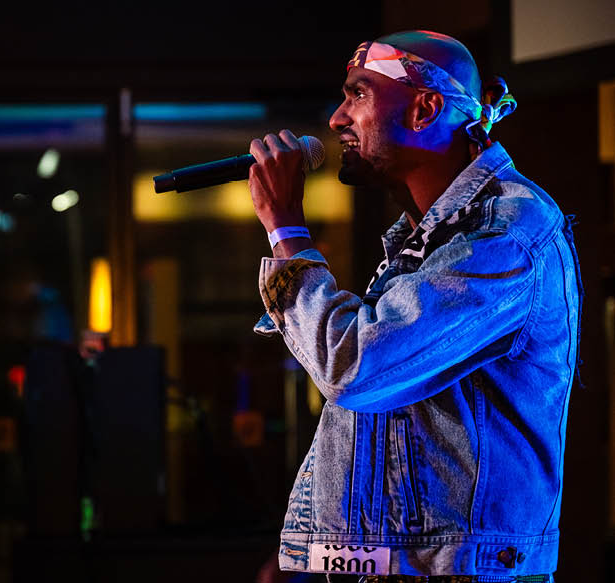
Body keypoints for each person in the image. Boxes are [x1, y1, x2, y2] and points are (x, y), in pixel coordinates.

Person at [248, 31, 580, 582]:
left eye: (358, 94)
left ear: (425, 108)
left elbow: (354, 366)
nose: (335, 119)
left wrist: (285, 229)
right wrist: (314, 552)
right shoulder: (422, 242)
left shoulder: (507, 233)